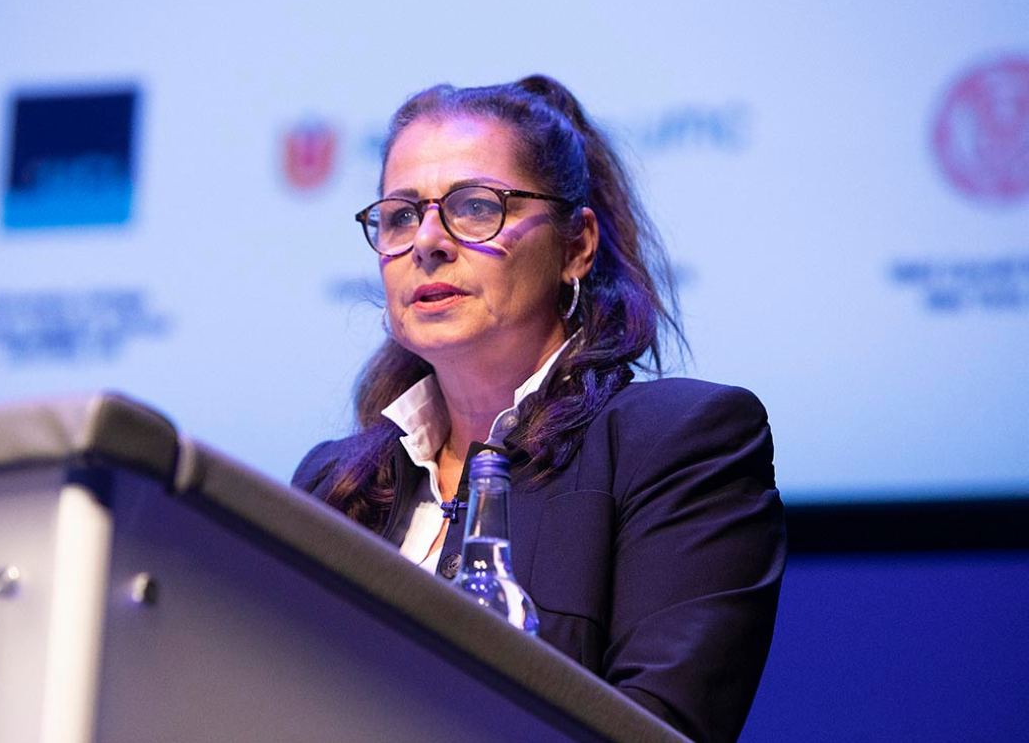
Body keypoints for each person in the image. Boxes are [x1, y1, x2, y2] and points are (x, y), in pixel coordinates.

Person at [293, 75, 786, 743]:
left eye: (474, 207)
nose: (428, 241)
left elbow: (657, 727)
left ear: (576, 245)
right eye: (402, 215)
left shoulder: (680, 444)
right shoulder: (333, 487)